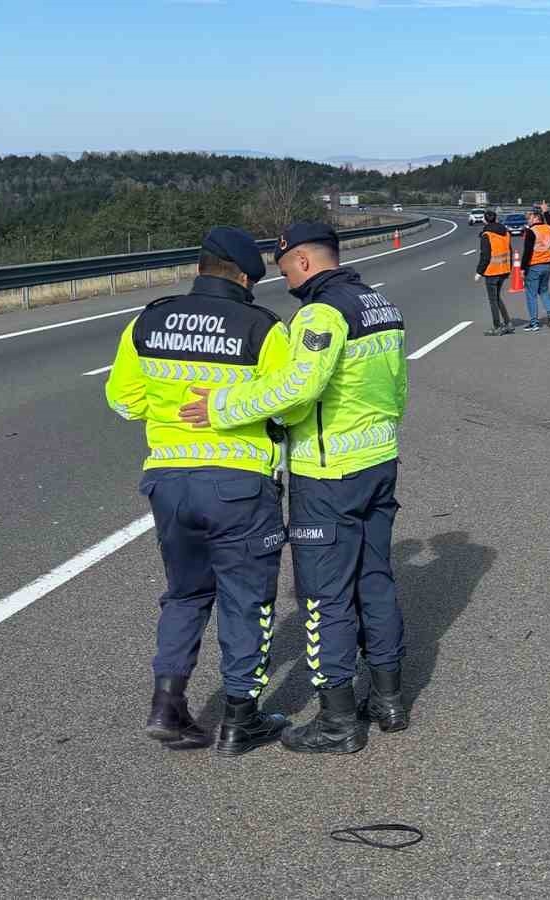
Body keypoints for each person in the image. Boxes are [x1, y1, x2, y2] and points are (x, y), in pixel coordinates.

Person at [180, 222, 410, 755]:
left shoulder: (321, 314)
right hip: (379, 461)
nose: (284, 281)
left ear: (304, 261)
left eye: (284, 270)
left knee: (325, 597)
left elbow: (297, 389)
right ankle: (390, 701)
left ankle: (338, 723)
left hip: (328, 474)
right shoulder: (382, 306)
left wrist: (221, 409)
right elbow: (397, 387)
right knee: (375, 580)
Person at [103, 226, 290, 756]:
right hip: (238, 483)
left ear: (201, 267)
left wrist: (166, 414)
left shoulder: (148, 320)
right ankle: (239, 718)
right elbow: (286, 405)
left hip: (168, 482)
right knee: (245, 600)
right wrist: (229, 408)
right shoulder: (261, 327)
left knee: (185, 594)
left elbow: (122, 400)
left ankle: (167, 706)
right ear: (245, 274)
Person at [474, 209, 515, 335]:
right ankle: (508, 323)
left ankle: (497, 326)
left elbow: (485, 255)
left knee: (493, 300)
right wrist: (510, 267)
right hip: (504, 269)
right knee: (497, 298)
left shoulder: (487, 235)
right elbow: (510, 251)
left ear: (484, 220)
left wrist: (479, 272)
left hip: (492, 271)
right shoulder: (505, 233)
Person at [521, 209, 550, 331]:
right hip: (547, 264)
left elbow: (527, 252)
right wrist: (546, 212)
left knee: (531, 295)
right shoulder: (549, 228)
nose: (528, 220)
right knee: (544, 291)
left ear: (537, 218)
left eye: (530, 217)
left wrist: (522, 268)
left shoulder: (531, 231)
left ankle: (534, 322)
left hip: (534, 265)